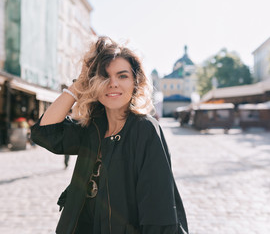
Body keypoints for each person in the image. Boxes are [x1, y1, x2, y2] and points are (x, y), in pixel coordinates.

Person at [30, 36, 188, 234]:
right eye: (104, 76)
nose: (113, 83)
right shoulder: (92, 127)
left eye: (122, 76)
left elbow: (158, 211)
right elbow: (44, 133)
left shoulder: (145, 129)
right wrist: (79, 84)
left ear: (135, 83)